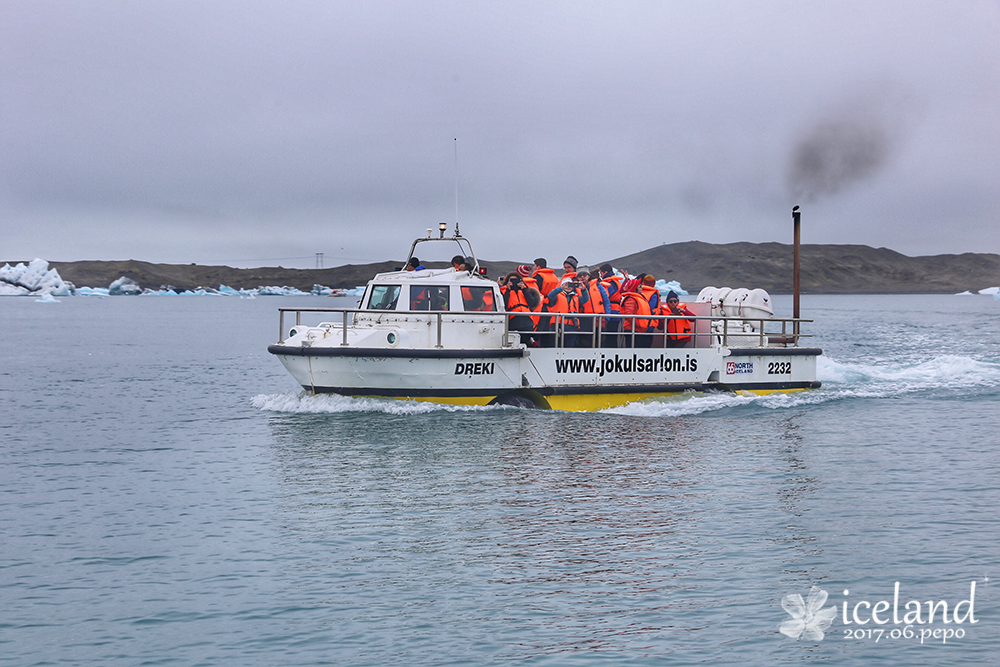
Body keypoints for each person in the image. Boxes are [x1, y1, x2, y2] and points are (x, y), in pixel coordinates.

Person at [540, 279, 584, 347]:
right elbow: (550, 296)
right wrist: (561, 288)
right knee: (555, 345)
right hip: (557, 324)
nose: (568, 287)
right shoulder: (557, 296)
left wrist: (583, 289)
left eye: (570, 285)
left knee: (570, 346)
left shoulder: (576, 297)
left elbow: (585, 299)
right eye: (566, 285)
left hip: (571, 325)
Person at [502, 272, 541, 345]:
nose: (513, 282)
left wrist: (524, 289)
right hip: (513, 320)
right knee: (513, 342)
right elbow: (504, 305)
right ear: (507, 281)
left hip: (527, 320)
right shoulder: (504, 291)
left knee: (526, 341)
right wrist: (508, 289)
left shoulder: (525, 291)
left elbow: (532, 303)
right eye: (511, 280)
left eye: (516, 280)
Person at [577, 267, 610, 348]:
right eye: (580, 276)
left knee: (601, 342)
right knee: (585, 342)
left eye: (584, 275)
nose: (582, 277)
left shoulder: (598, 286)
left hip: (599, 318)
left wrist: (607, 316)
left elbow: (606, 301)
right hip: (584, 319)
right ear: (577, 278)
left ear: (588, 276)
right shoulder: (575, 288)